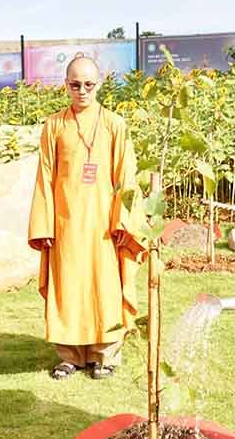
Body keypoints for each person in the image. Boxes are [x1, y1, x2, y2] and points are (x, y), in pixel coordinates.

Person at [28, 56, 146, 380]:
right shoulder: (54, 125)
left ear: (99, 83)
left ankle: (105, 355)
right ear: (66, 85)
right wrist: (44, 223)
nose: (82, 90)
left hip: (104, 225)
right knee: (68, 286)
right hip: (65, 223)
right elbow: (45, 176)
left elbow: (126, 175)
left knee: (104, 287)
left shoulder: (114, 124)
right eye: (75, 84)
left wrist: (123, 221)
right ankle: (70, 356)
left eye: (89, 84)